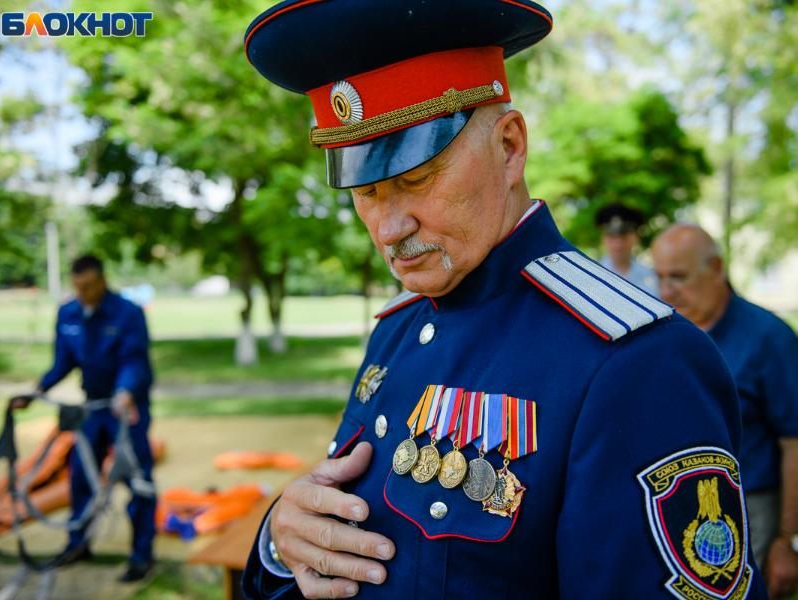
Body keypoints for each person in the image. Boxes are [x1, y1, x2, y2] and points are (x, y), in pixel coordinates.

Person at [241, 1, 766, 598]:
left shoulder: (639, 361)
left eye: (416, 179)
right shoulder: (398, 327)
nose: (388, 228)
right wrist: (282, 545)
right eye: (366, 192)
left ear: (510, 147)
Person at [652, 224, 798, 598]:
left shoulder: (768, 338)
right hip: (672, 503)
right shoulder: (661, 335)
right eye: (660, 277)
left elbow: (794, 443)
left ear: (716, 268)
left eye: (678, 277)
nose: (666, 290)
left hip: (751, 508)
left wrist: (788, 540)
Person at [10, 255, 156, 582]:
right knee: (80, 477)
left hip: (126, 409)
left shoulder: (128, 313)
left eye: (88, 286)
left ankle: (142, 555)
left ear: (102, 281)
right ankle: (78, 544)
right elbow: (62, 362)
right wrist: (36, 391)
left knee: (138, 481)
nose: (83, 293)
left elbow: (134, 361)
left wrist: (125, 391)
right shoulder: (68, 313)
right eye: (78, 287)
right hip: (91, 408)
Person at [595, 203, 659, 296]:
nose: (617, 244)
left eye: (624, 237)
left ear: (636, 237)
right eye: (611, 237)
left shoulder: (652, 277)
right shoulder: (593, 274)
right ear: (603, 238)